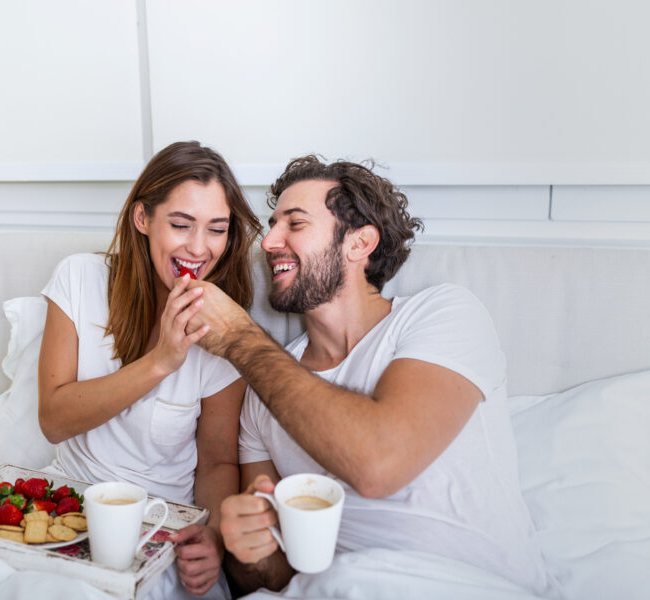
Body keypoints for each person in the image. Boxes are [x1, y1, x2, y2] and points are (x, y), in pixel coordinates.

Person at [181, 155, 558, 597]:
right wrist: (249, 549)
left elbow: (379, 464)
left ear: (359, 243)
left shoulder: (441, 315)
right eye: (272, 223)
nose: (268, 242)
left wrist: (241, 339)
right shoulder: (261, 390)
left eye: (295, 224)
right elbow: (272, 578)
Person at [37, 141, 262, 598]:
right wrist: (161, 361)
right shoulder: (79, 279)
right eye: (181, 224)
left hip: (160, 528)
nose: (198, 248)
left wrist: (213, 536)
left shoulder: (228, 327)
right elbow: (53, 420)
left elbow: (217, 460)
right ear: (143, 218)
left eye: (216, 229)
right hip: (68, 511)